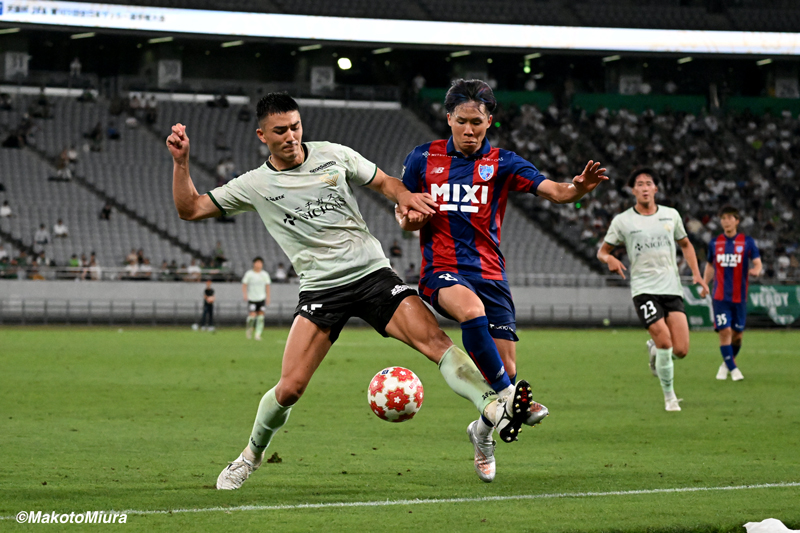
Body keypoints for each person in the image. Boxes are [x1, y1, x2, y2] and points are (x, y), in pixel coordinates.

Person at [166, 92, 541, 490]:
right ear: (262, 135)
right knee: (290, 388)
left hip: (373, 275)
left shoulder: (333, 154)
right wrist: (181, 162)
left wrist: (406, 196)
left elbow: (382, 181)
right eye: (280, 131)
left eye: (295, 126)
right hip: (321, 291)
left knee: (437, 343)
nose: (291, 136)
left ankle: (492, 406)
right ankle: (250, 456)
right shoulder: (255, 184)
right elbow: (190, 208)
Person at [399, 78, 606, 475]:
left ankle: (482, 431)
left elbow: (557, 192)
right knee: (471, 314)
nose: (469, 129)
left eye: (477, 121)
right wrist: (410, 217)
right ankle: (514, 399)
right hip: (441, 270)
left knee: (504, 367)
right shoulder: (423, 158)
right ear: (449, 118)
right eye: (462, 121)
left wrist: (578, 189)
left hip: (491, 276)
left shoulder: (504, 163)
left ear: (489, 121)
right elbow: (404, 212)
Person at [597, 167, 709, 412]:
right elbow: (602, 251)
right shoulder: (623, 221)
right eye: (640, 184)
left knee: (681, 350)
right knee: (666, 341)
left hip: (671, 288)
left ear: (656, 189)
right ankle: (669, 397)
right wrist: (610, 260)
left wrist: (698, 275)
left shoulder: (671, 216)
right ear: (633, 190)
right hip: (644, 289)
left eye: (649, 183)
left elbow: (687, 245)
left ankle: (654, 351)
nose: (645, 187)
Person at [702, 206, 762, 381]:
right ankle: (734, 370)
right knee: (725, 332)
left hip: (739, 297)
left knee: (737, 336)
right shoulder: (714, 243)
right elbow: (710, 266)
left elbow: (758, 262)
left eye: (729, 218)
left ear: (737, 221)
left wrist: (757, 270)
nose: (726, 221)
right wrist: (705, 284)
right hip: (720, 297)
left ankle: (726, 363)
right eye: (723, 218)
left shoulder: (747, 242)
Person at [241, 257, 272, 341]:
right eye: (257, 263)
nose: (259, 265)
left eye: (260, 263)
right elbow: (244, 284)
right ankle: (249, 329)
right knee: (252, 317)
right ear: (254, 264)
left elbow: (267, 286)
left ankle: (258, 334)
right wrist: (245, 294)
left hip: (261, 298)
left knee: (261, 317)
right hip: (252, 298)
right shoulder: (249, 274)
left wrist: (268, 298)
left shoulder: (265, 274)